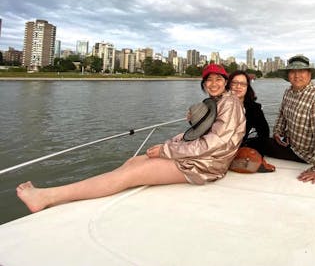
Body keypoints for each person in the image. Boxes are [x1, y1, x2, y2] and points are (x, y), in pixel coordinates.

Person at [16, 63, 245, 213]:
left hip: (204, 166)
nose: (213, 83)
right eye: (208, 80)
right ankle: (80, 192)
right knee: (133, 163)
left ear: (225, 82)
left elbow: (215, 142)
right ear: (204, 84)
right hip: (198, 158)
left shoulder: (230, 103)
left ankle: (47, 196)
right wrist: (172, 143)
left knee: (130, 174)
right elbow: (201, 134)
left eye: (218, 79)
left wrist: (166, 151)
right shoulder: (217, 102)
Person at [266, 54, 315, 184]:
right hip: (289, 144)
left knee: (258, 144)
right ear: (288, 75)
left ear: (309, 74)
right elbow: (282, 114)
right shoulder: (288, 92)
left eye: (301, 71)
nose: (297, 75)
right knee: (257, 143)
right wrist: (277, 132)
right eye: (293, 72)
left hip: (306, 155)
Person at [227, 70, 270, 155]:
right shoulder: (220, 104)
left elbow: (264, 133)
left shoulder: (253, 109)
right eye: (234, 83)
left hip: (238, 150)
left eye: (243, 84)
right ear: (229, 85)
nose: (238, 86)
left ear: (247, 87)